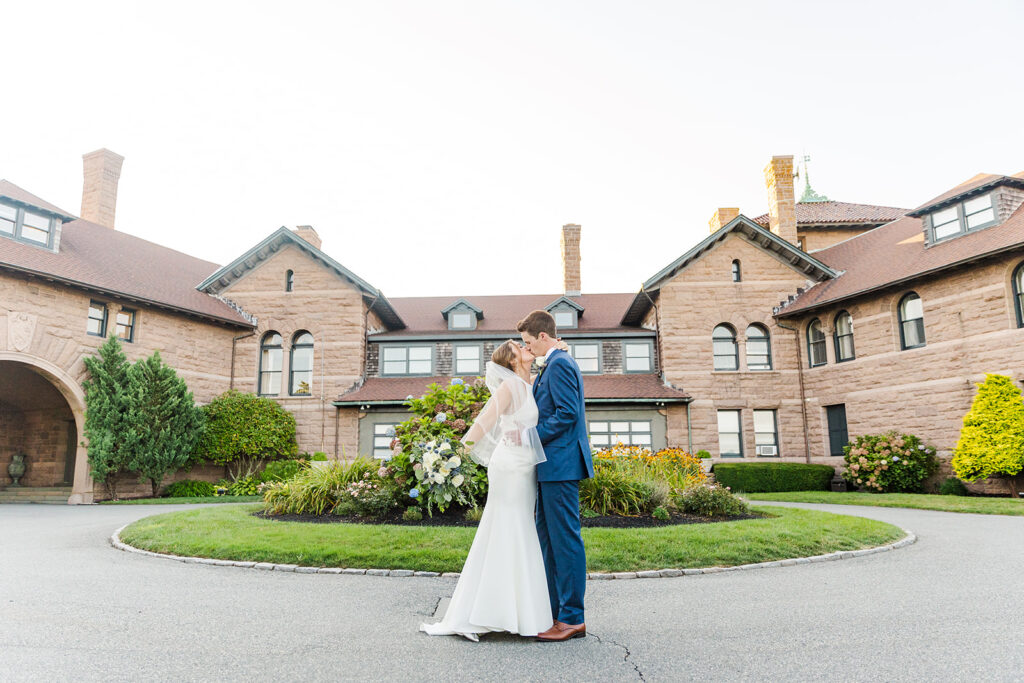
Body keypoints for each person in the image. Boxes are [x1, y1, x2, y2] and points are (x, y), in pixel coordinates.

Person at [420, 340, 552, 641]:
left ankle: (515, 611)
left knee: (520, 529)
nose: (525, 346)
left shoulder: (530, 383)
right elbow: (484, 422)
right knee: (507, 528)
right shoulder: (509, 388)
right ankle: (484, 612)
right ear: (512, 359)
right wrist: (452, 458)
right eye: (519, 346)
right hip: (508, 468)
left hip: (526, 466)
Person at [518, 309, 594, 642]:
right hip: (549, 467)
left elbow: (566, 415)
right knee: (547, 543)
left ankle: (573, 618)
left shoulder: (561, 364)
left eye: (529, 342)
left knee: (565, 542)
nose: (528, 348)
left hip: (561, 465)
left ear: (544, 337)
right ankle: (553, 613)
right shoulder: (553, 362)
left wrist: (528, 437)